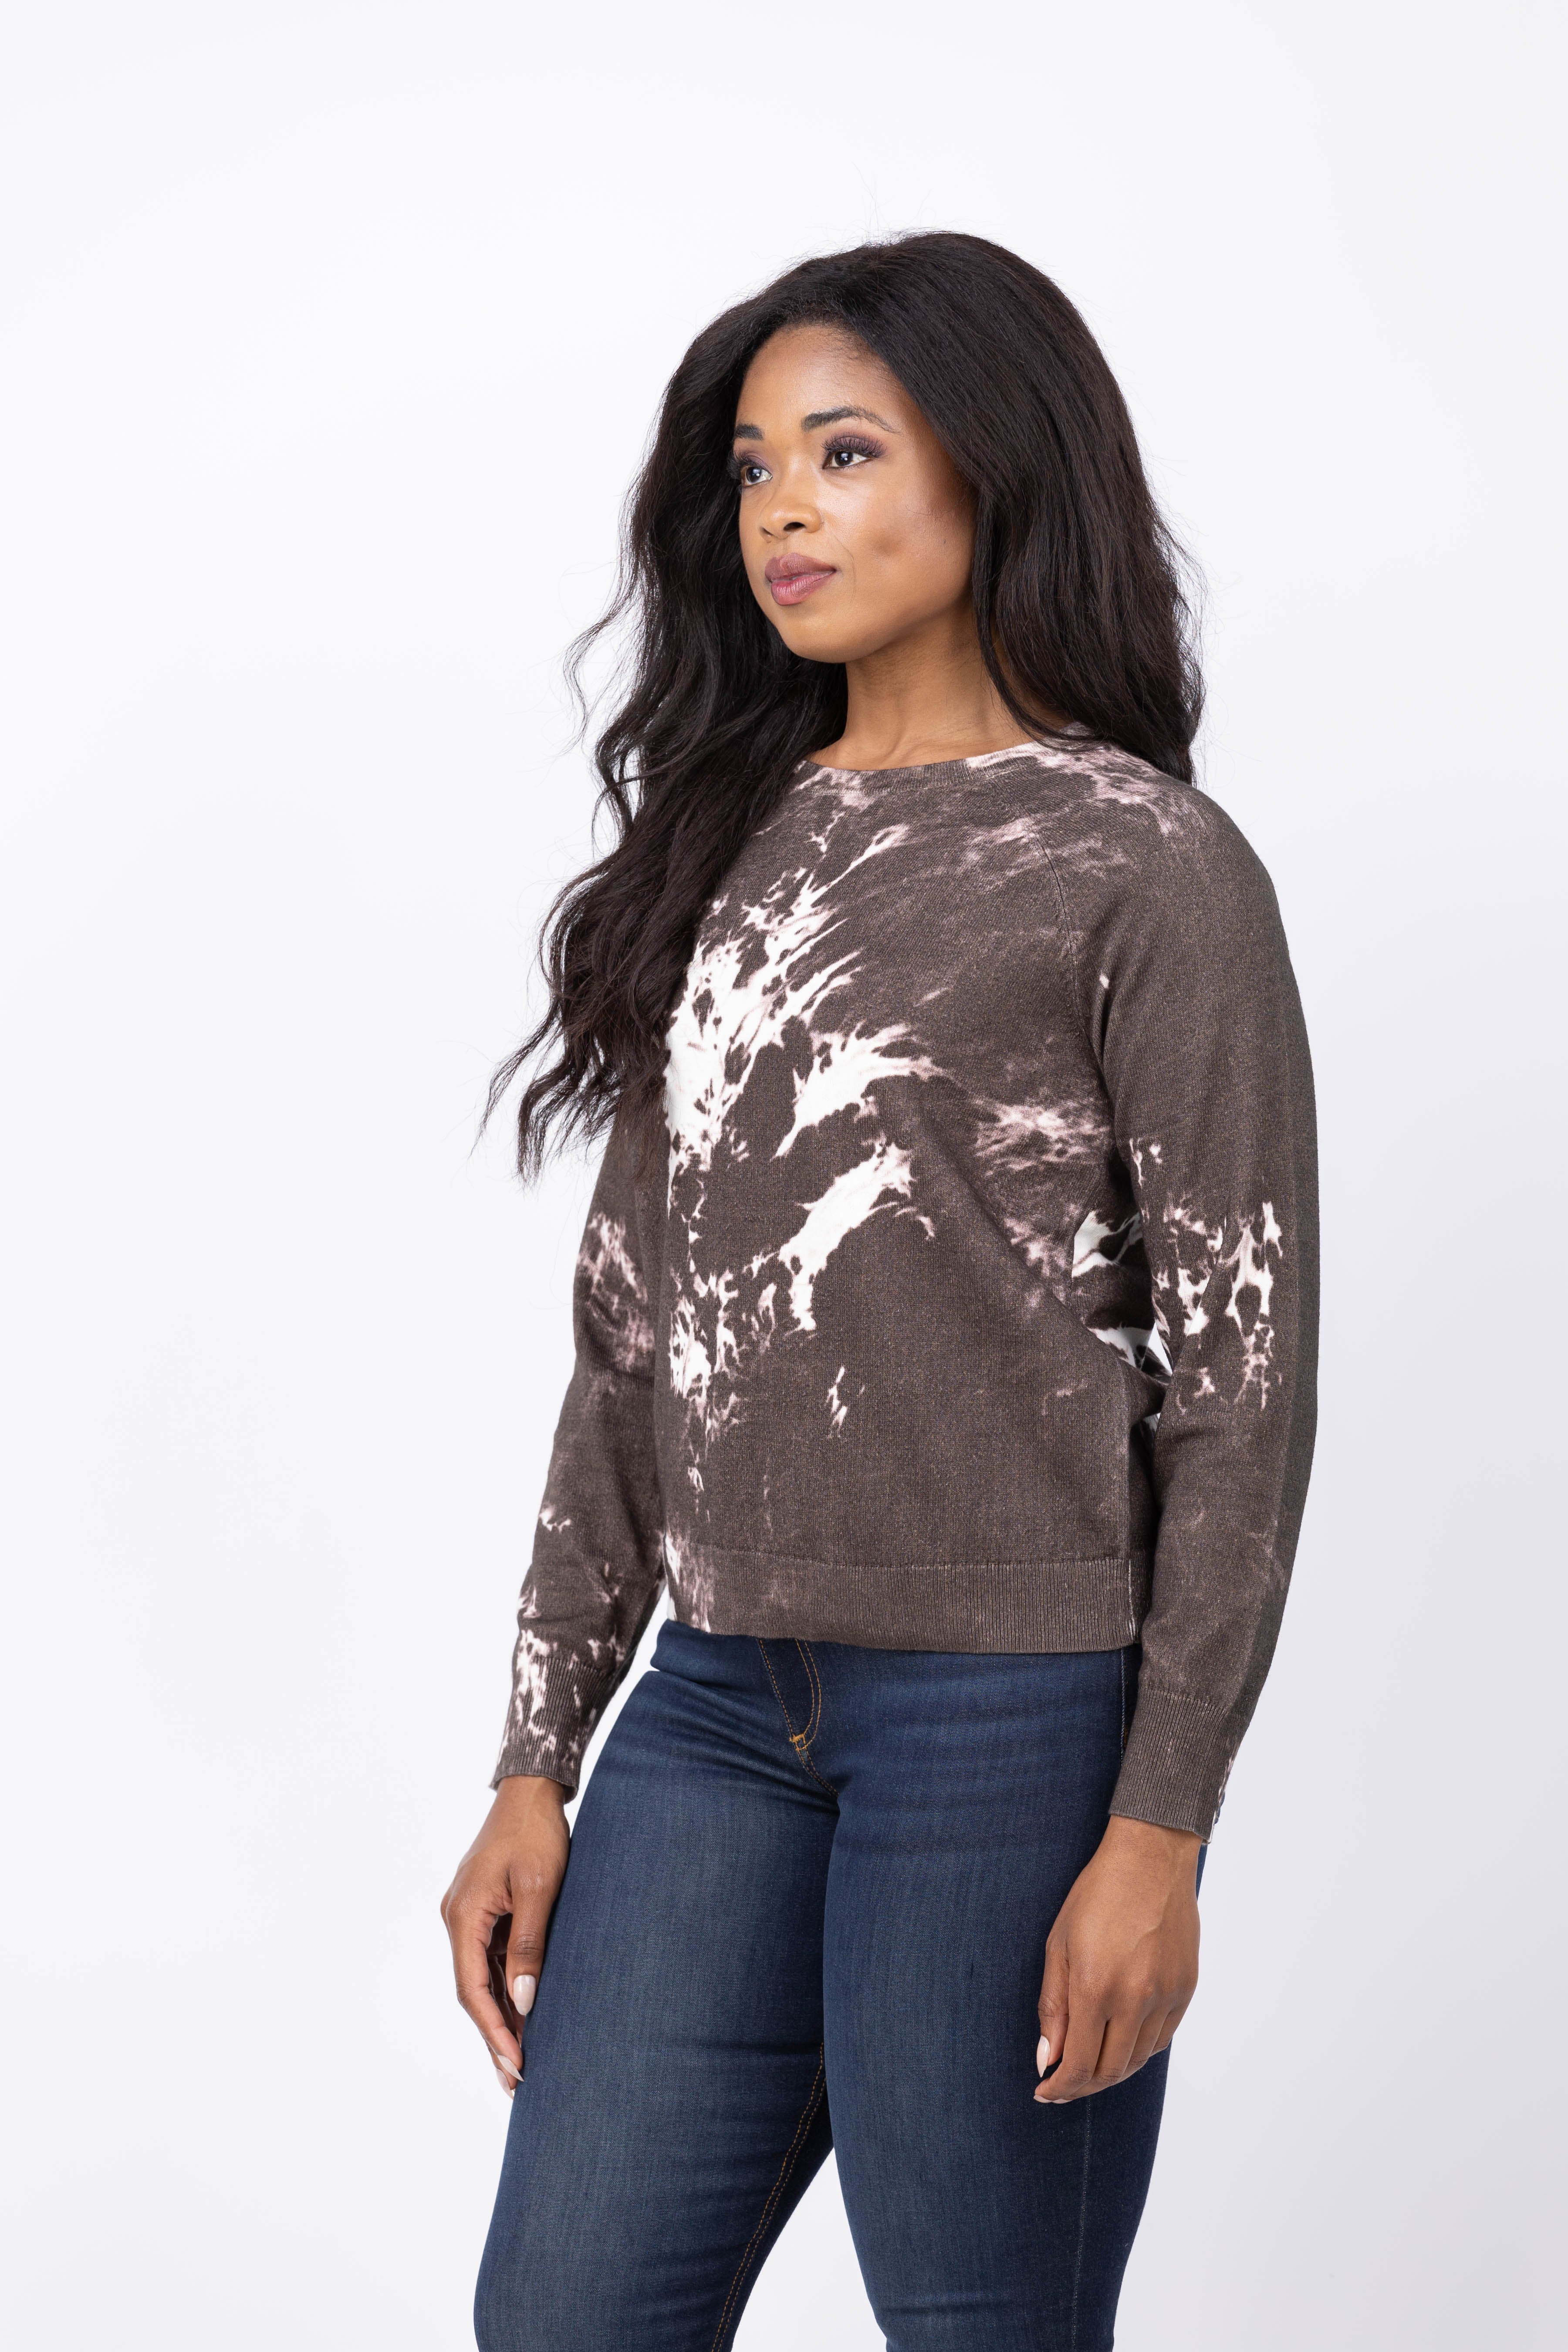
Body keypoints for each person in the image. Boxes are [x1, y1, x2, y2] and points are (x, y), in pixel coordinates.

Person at [442, 230, 1318, 2351]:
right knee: (561, 2316)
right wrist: (538, 1754)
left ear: (1000, 466)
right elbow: (631, 1341)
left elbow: (1242, 1390)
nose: (784, 510)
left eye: (844, 453)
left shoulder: (1144, 865)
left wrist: (1162, 1829)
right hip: (715, 1710)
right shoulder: (726, 848)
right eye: (755, 467)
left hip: (1012, 1725)